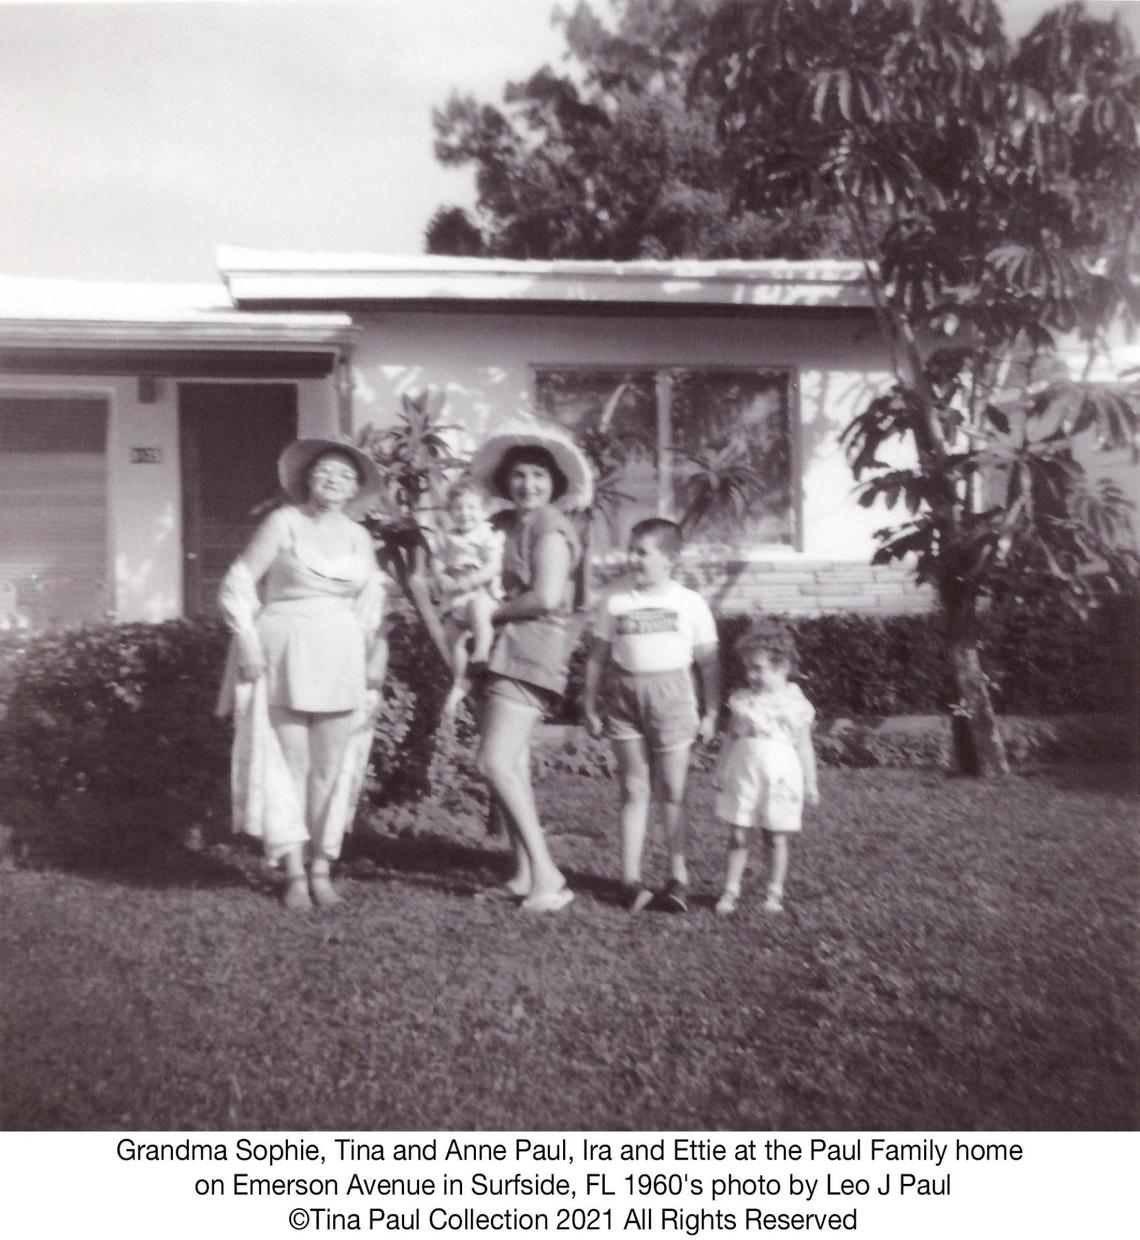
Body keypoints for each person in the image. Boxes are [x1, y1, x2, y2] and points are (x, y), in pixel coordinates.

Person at [216, 438, 388, 910]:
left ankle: (322, 868)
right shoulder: (283, 522)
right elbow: (237, 583)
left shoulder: (359, 537)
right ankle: (293, 872)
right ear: (308, 479)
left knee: (331, 767)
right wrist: (248, 642)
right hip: (285, 647)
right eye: (325, 471)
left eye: (345, 475)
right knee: (289, 764)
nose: (334, 480)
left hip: (341, 651)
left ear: (355, 490)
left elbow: (373, 602)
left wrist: (374, 654)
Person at [467, 419, 594, 912]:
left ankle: (547, 874)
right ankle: (522, 874)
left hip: (532, 649)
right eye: (519, 475)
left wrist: (488, 613)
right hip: (499, 649)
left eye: (539, 476)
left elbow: (546, 596)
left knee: (493, 762)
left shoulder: (550, 527)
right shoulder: (505, 525)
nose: (528, 484)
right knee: (513, 764)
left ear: (554, 483)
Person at [582, 519, 720, 914]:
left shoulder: (689, 602)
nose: (633, 559)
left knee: (673, 789)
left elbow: (709, 663)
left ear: (670, 559)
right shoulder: (615, 599)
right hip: (624, 698)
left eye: (642, 552)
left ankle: (678, 878)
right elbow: (597, 657)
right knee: (633, 788)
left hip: (672, 698)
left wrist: (712, 712)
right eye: (631, 550)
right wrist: (589, 704)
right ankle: (630, 880)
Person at [713, 620, 819, 916]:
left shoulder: (795, 704)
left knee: (775, 836)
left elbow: (804, 746)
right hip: (745, 774)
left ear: (782, 666)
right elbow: (731, 738)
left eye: (758, 669)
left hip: (781, 778)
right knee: (738, 834)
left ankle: (774, 892)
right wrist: (721, 770)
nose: (751, 675)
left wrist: (811, 782)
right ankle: (730, 890)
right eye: (748, 669)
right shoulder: (744, 702)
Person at [432, 477, 504, 717]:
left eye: (472, 507)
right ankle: (460, 679)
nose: (465, 513)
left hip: (480, 589)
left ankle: (481, 651)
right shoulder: (446, 536)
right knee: (452, 634)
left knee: (478, 609)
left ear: (484, 511)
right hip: (456, 593)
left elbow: (493, 566)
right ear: (450, 511)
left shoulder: (485, 534)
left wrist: (472, 581)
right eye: (458, 508)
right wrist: (441, 576)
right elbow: (438, 561)